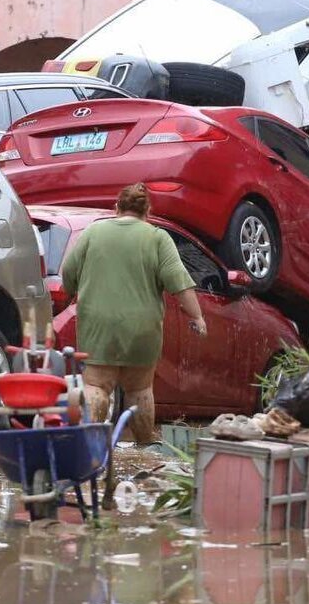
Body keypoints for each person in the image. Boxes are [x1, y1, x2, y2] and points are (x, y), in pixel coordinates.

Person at [60, 183, 207, 444]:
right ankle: (144, 445)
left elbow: (69, 273)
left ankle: (90, 445)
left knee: (97, 386)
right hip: (142, 327)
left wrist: (71, 291)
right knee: (139, 389)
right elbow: (179, 281)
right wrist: (196, 316)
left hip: (98, 325)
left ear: (116, 208)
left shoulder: (93, 232)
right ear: (147, 211)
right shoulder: (157, 237)